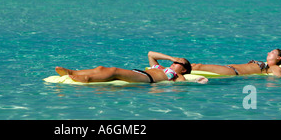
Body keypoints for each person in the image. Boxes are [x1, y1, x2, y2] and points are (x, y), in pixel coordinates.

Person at [55, 51, 208, 84]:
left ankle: (86, 78)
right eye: (176, 61)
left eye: (179, 63)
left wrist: (198, 80)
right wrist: (171, 57)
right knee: (102, 67)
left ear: (184, 69)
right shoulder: (161, 66)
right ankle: (72, 71)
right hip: (139, 73)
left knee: (114, 71)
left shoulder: (177, 76)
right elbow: (151, 54)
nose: (175, 63)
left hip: (146, 78)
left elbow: (183, 84)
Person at [191, 49, 281, 77]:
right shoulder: (265, 64)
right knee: (196, 66)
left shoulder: (274, 67)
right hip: (228, 68)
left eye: (272, 52)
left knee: (198, 66)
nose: (268, 52)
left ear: (279, 58)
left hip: (233, 72)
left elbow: (278, 77)